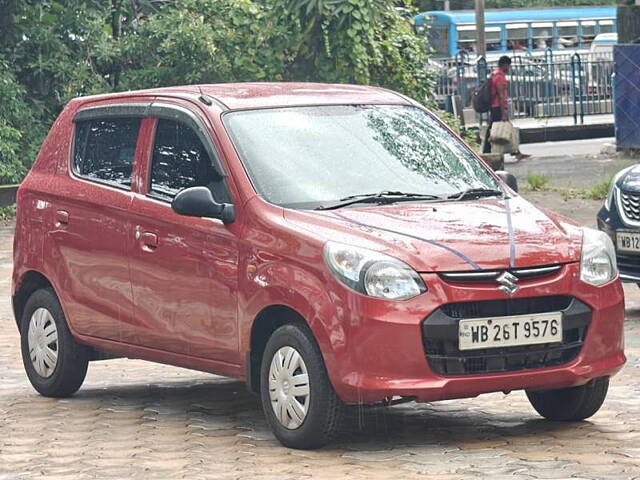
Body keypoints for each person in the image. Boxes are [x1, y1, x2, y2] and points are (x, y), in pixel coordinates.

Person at [483, 55, 530, 160]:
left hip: (495, 107)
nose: (509, 68)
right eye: (508, 66)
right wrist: (503, 112)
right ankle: (487, 152)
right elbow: (501, 95)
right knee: (501, 130)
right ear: (505, 65)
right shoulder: (500, 76)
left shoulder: (494, 74)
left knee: (497, 129)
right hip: (498, 107)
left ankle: (514, 152)